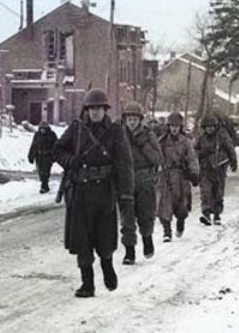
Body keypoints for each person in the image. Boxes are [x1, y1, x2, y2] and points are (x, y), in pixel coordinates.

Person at [53, 88, 134, 298]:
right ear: (86, 110)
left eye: (99, 108)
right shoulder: (77, 129)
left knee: (105, 237)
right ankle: (87, 283)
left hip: (105, 190)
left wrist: (125, 194)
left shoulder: (116, 131)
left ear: (105, 109)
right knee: (82, 240)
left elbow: (124, 163)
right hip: (80, 191)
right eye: (91, 108)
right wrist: (71, 161)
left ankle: (107, 266)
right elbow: (57, 150)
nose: (95, 112)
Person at [120, 101, 163, 264]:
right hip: (125, 180)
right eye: (129, 119)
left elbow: (158, 158)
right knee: (126, 218)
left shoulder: (148, 134)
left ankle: (147, 239)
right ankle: (129, 251)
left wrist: (144, 144)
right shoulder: (120, 134)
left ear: (140, 119)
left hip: (144, 179)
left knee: (146, 214)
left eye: (135, 119)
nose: (131, 122)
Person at [156, 112, 199, 242]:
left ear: (181, 127)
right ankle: (167, 231)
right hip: (166, 176)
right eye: (172, 126)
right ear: (168, 126)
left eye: (177, 126)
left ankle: (180, 222)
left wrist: (194, 173)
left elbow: (192, 158)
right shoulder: (162, 141)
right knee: (164, 204)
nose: (174, 128)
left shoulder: (186, 142)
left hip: (181, 176)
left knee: (182, 205)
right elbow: (156, 157)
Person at [195, 113, 238, 225]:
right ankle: (206, 213)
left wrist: (233, 161)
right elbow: (194, 151)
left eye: (212, 127)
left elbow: (230, 148)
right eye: (207, 127)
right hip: (205, 169)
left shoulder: (222, 136)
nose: (210, 129)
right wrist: (201, 153)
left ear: (215, 126)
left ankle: (217, 214)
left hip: (219, 168)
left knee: (218, 192)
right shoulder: (201, 139)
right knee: (205, 192)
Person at [28, 121, 58, 193]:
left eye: (44, 129)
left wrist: (54, 156)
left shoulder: (52, 135)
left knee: (45, 172)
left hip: (47, 156)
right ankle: (45, 185)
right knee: (40, 172)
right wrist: (31, 156)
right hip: (39, 156)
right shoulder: (37, 135)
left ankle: (44, 187)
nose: (42, 130)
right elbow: (34, 145)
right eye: (41, 129)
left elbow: (56, 146)